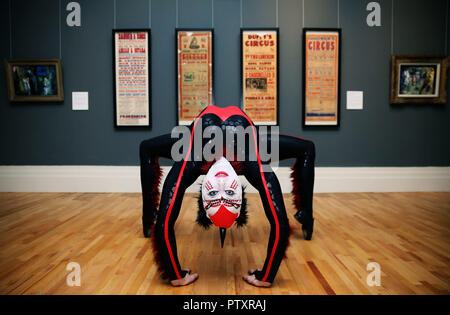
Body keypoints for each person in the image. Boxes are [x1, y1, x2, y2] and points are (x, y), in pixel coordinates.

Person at [139, 105, 315, 287]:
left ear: (204, 194)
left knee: (146, 147)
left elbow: (163, 222)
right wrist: (266, 277)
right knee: (307, 148)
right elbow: (281, 225)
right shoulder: (252, 160)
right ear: (239, 193)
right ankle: (306, 214)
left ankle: (147, 215)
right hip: (246, 138)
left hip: (199, 137)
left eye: (214, 192)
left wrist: (175, 275)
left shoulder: (192, 157)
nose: (221, 184)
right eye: (229, 193)